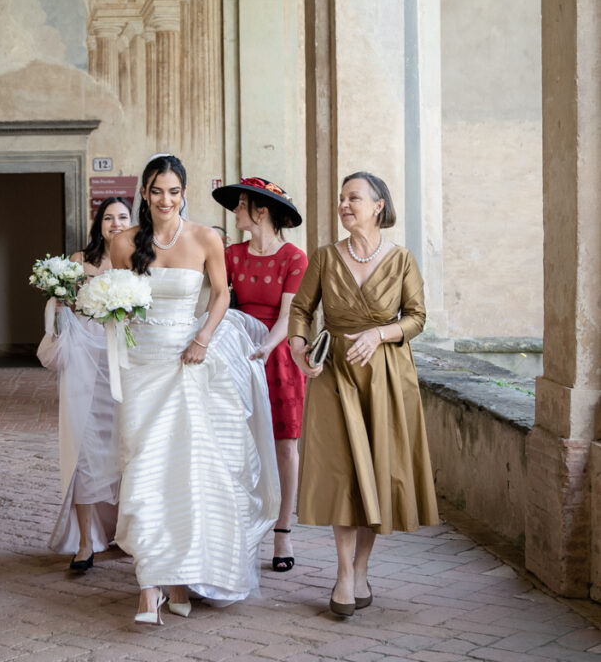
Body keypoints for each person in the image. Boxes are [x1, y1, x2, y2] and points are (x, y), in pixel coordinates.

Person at [110, 154, 280, 625]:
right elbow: (119, 301)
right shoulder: (123, 242)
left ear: (184, 193)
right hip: (143, 365)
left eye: (174, 191)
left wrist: (203, 338)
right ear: (144, 192)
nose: (165, 200)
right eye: (157, 190)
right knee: (143, 468)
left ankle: (177, 578)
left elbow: (222, 294)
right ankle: (150, 584)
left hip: (188, 362)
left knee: (184, 471)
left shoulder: (207, 237)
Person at [287, 172, 439, 617]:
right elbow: (301, 309)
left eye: (353, 197)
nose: (344, 205)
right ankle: (341, 573)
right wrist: (299, 349)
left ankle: (361, 569)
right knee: (341, 475)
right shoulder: (324, 257)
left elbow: (416, 317)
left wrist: (380, 334)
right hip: (335, 373)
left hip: (386, 378)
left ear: (378, 205)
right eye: (341, 198)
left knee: (372, 472)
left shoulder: (403, 260)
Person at [212, 177, 308, 572]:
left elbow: (289, 315)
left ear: (261, 211)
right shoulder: (230, 254)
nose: (234, 212)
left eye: (240, 205)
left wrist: (266, 348)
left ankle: (282, 531)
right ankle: (243, 527)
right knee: (237, 441)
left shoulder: (294, 258)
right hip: (237, 354)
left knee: (285, 446)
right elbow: (217, 301)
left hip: (278, 356)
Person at [37, 196, 132, 572]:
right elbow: (64, 306)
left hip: (123, 360)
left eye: (123, 217)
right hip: (84, 360)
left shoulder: (140, 261)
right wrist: (60, 304)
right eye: (108, 217)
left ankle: (128, 532)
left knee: (126, 447)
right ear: (99, 224)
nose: (115, 223)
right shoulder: (79, 262)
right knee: (85, 448)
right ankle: (84, 541)